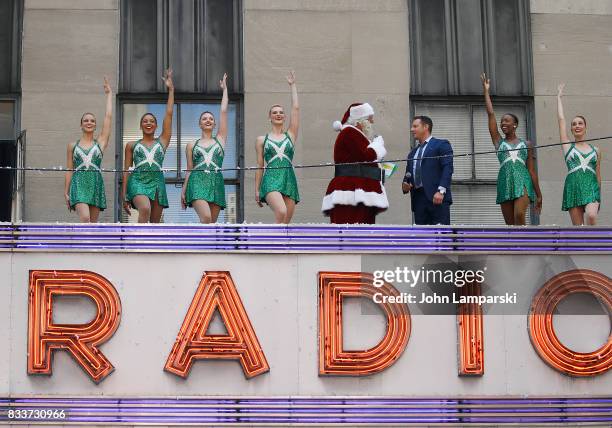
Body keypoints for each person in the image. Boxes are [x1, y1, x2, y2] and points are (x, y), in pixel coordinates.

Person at [481, 73, 542, 225]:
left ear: (515, 124)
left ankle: (524, 244)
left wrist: (539, 194)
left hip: (523, 180)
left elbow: (532, 171)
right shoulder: (498, 142)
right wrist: (486, 92)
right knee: (510, 224)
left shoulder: (526, 144)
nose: (503, 123)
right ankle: (516, 246)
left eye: (507, 121)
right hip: (505, 181)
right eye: (502, 122)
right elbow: (490, 114)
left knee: (519, 214)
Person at [122, 69, 174, 223]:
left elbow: (169, 114)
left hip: (157, 182)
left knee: (155, 223)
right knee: (144, 208)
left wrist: (171, 90)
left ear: (157, 126)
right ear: (141, 126)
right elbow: (126, 171)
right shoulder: (131, 145)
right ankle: (137, 245)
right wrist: (125, 195)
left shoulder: (162, 142)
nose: (148, 123)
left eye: (152, 121)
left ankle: (149, 247)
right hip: (137, 181)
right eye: (145, 121)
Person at [322, 103, 388, 224]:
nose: (372, 122)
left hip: (358, 189)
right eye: (370, 118)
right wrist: (377, 146)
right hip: (351, 190)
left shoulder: (356, 135)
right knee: (352, 228)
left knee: (363, 231)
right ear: (360, 121)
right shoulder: (349, 132)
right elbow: (366, 156)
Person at [182, 73, 229, 223]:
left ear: (215, 124)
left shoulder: (220, 140)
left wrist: (225, 90)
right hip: (197, 181)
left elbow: (223, 111)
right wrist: (183, 191)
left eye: (211, 119)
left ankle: (204, 246)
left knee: (211, 224)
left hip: (216, 182)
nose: (208, 120)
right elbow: (189, 169)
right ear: (200, 124)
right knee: (206, 217)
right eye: (204, 119)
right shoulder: (191, 144)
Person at [64, 77, 113, 222]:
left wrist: (109, 94)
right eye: (86, 120)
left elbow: (108, 117)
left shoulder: (101, 143)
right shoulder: (72, 145)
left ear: (96, 125)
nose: (89, 122)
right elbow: (69, 169)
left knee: (92, 224)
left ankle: (87, 245)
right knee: (85, 218)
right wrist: (66, 192)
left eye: (92, 121)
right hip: (78, 184)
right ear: (81, 125)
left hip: (95, 183)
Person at [255, 71, 300, 224]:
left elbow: (296, 109)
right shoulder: (262, 139)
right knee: (281, 211)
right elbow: (260, 166)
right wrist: (257, 189)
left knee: (285, 222)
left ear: (285, 117)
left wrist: (292, 86)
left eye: (281, 112)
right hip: (271, 179)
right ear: (270, 117)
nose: (278, 114)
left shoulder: (290, 135)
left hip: (288, 179)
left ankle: (278, 247)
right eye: (275, 113)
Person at [557, 83, 601, 225]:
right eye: (574, 124)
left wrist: (598, 195)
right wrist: (558, 98)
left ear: (585, 127)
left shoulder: (596, 150)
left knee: (592, 216)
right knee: (578, 229)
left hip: (591, 187)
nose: (577, 126)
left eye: (580, 123)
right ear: (571, 129)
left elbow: (598, 174)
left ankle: (594, 245)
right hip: (573, 186)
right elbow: (561, 120)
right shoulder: (567, 146)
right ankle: (583, 246)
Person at [402, 116, 453, 225]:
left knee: (441, 235)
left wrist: (441, 191)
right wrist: (405, 185)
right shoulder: (412, 153)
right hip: (418, 200)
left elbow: (448, 168)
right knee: (422, 237)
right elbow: (407, 176)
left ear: (426, 127)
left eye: (415, 126)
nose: (412, 129)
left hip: (437, 197)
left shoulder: (441, 144)